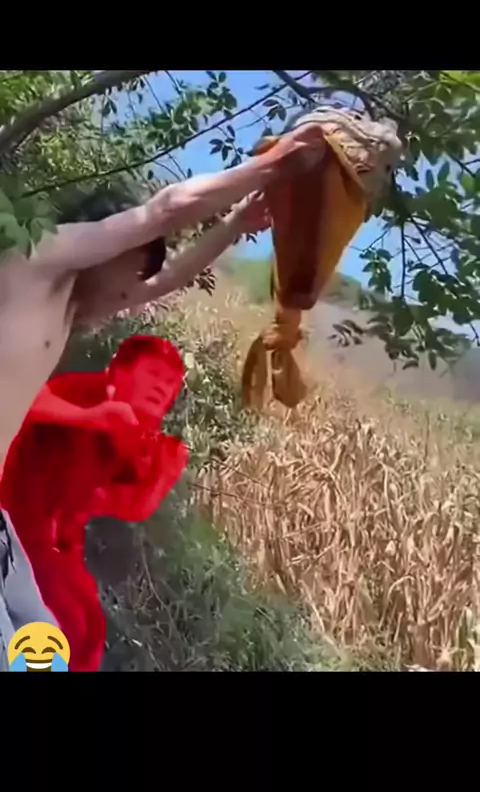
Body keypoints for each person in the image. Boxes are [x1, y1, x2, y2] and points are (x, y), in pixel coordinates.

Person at [0, 124, 326, 670]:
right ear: (112, 245)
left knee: (44, 645)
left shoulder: (71, 307)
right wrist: (274, 165)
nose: (137, 284)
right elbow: (164, 211)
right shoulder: (39, 261)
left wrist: (235, 226)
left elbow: (170, 278)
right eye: (137, 265)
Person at [1, 335, 188, 671]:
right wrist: (91, 417)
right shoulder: (86, 392)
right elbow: (24, 403)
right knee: (62, 620)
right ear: (120, 372)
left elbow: (129, 506)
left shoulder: (143, 438)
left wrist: (160, 474)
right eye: (153, 374)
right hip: (14, 520)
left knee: (87, 629)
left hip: (57, 543)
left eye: (169, 383)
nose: (161, 388)